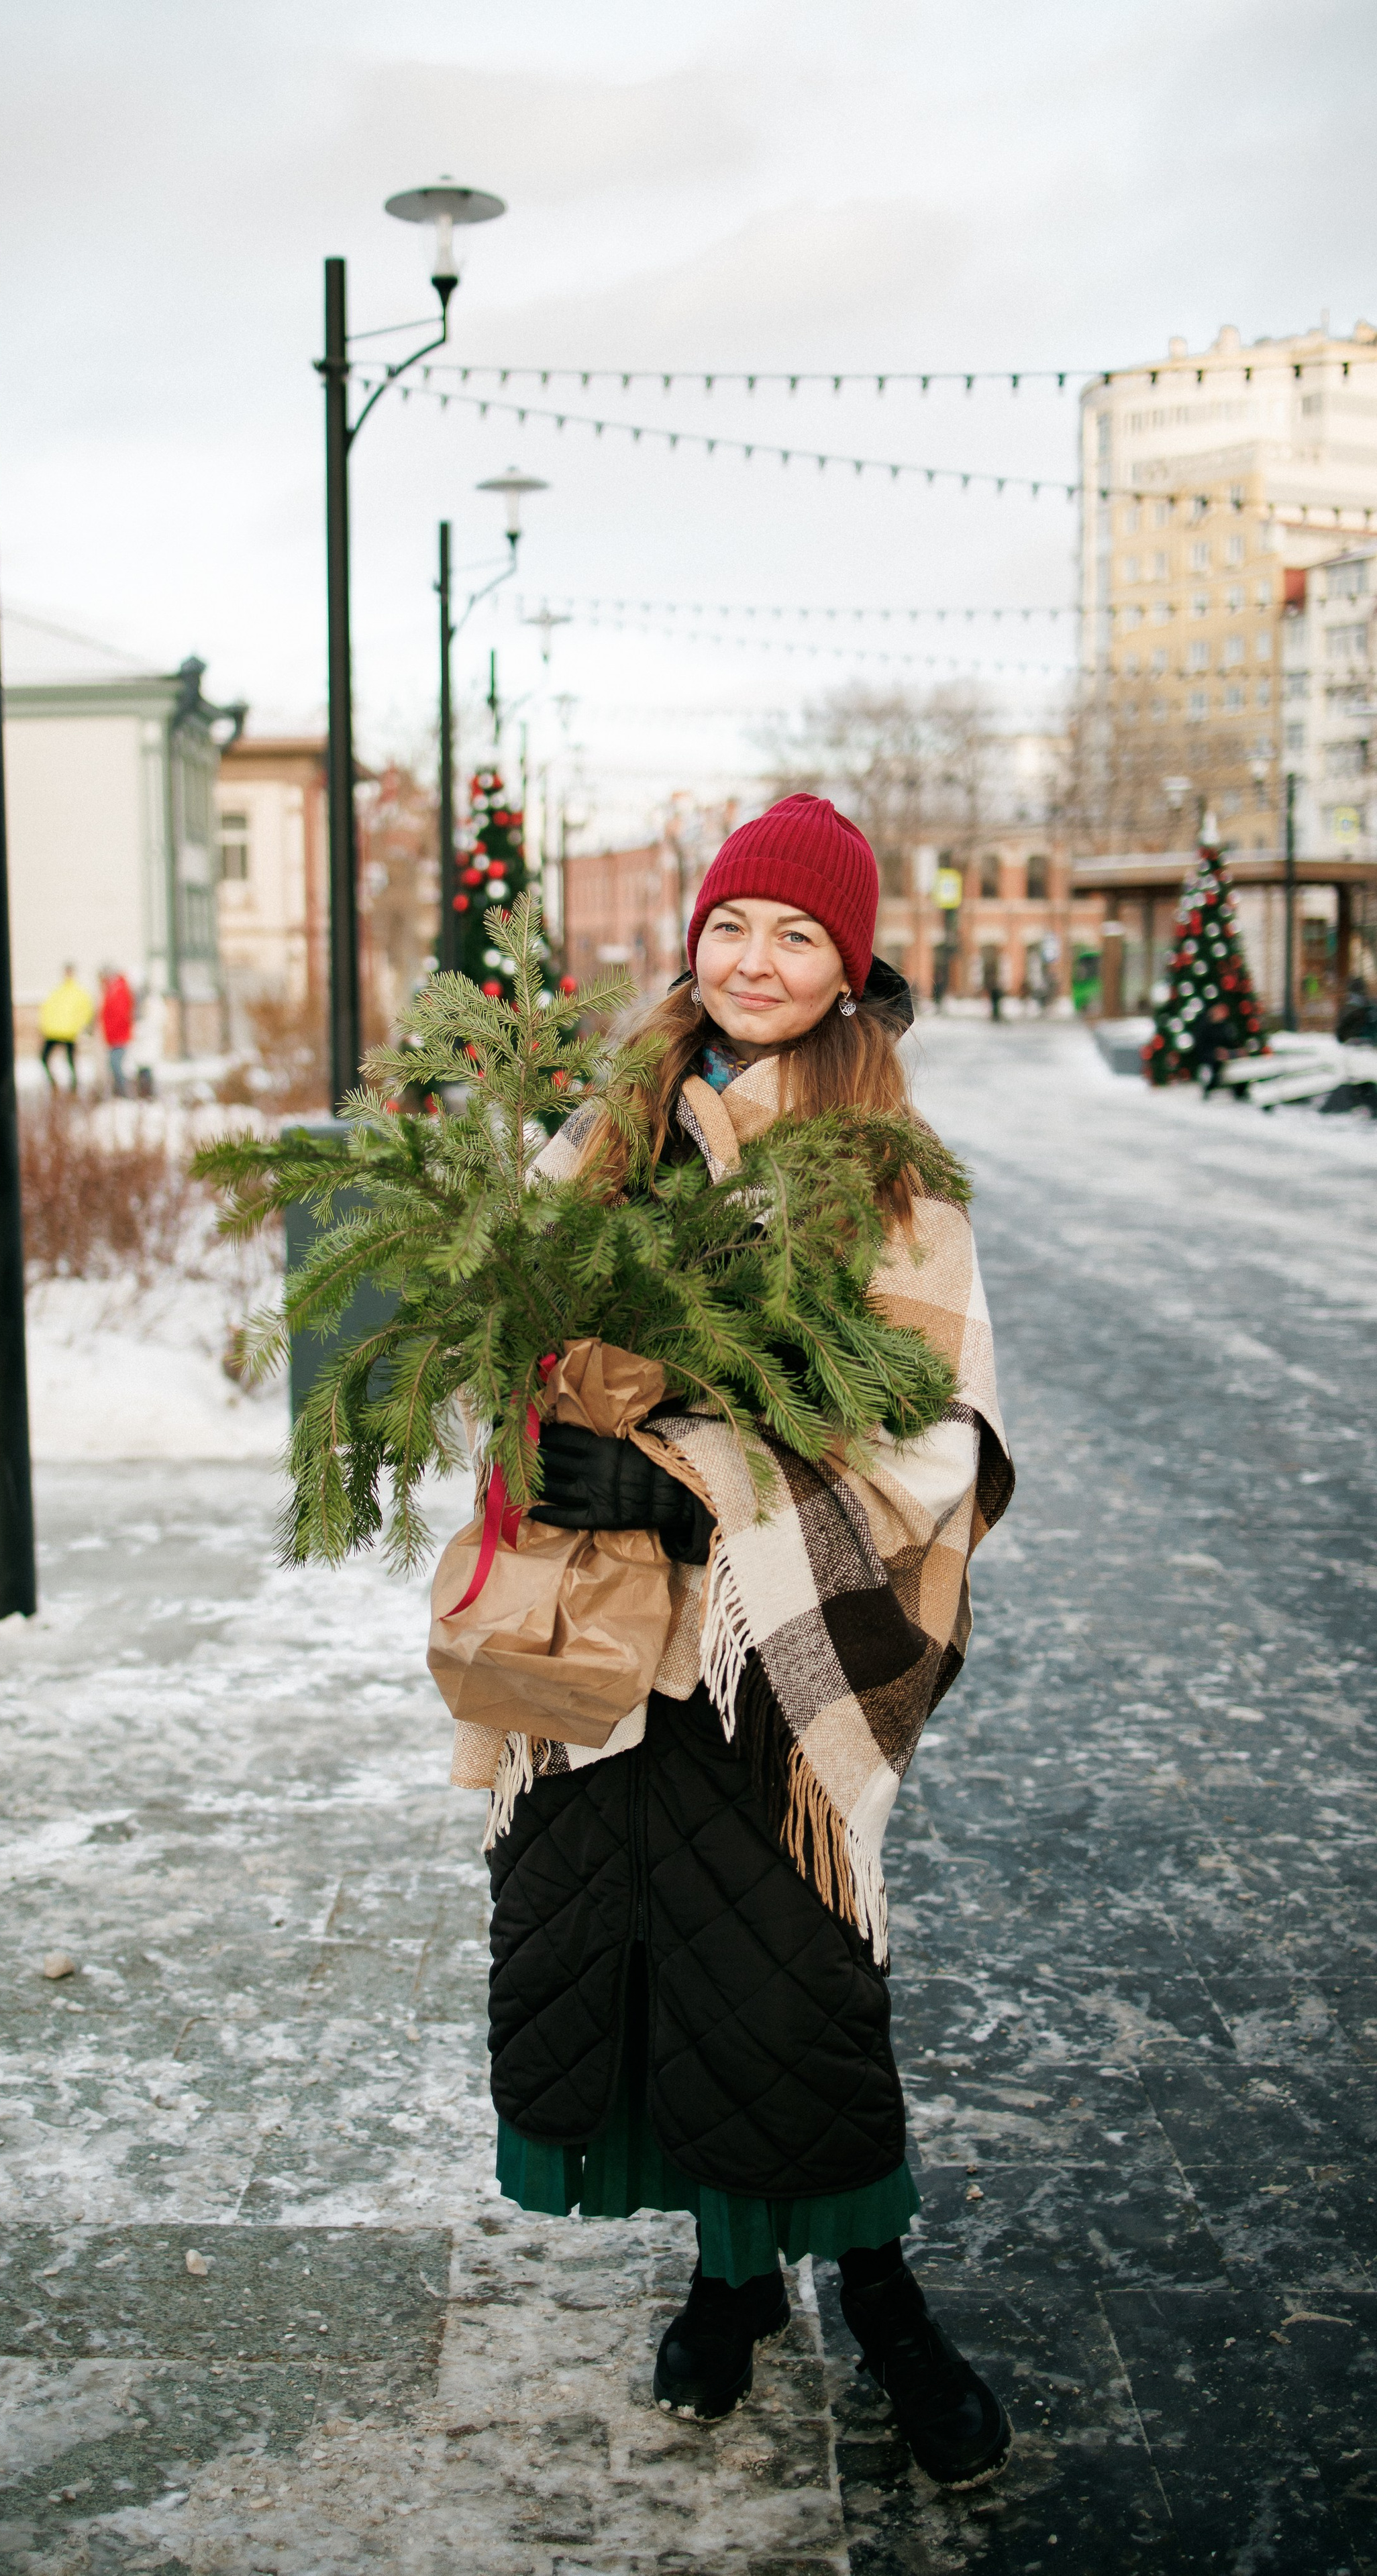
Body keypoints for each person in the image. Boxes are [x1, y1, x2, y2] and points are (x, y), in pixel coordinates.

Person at [470, 794, 1016, 2488]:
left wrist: (729, 1464)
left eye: (794, 934)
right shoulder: (605, 1134)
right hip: (610, 1634)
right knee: (640, 1960)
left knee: (792, 1986)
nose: (752, 961)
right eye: (729, 926)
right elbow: (501, 1325)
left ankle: (878, 2292)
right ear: (691, 940)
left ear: (846, 967)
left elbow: (939, 1426)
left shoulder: (882, 1174)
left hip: (769, 1645)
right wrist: (547, 1428)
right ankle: (727, 2282)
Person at [38, 965, 95, 1093]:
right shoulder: (59, 991)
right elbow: (47, 1009)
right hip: (54, 1032)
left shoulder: (78, 992)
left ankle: (74, 1083)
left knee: (70, 1060)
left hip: (68, 1032)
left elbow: (86, 1011)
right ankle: (56, 1081)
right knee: (45, 1058)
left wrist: (81, 1026)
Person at [99, 965, 134, 1098]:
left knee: (116, 1066)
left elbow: (119, 1014)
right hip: (114, 1035)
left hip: (118, 1036)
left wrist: (113, 1032)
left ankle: (124, 1094)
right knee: (114, 1066)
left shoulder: (118, 990)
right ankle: (119, 1094)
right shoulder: (113, 989)